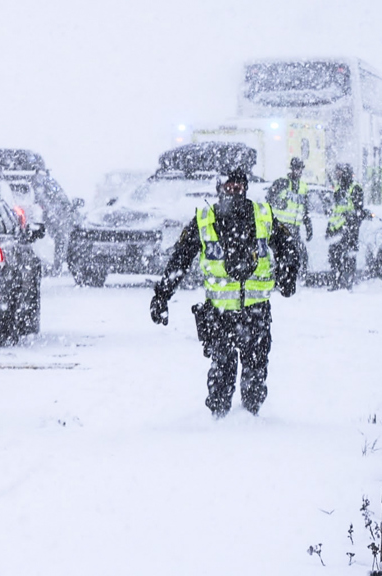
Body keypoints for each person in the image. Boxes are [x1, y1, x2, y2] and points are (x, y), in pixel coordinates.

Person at [149, 168, 302, 417]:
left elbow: (288, 247)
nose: (234, 191)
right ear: (219, 188)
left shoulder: (263, 215)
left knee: (256, 376)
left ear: (246, 187)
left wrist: (288, 274)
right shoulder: (204, 219)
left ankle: (252, 424)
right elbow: (179, 260)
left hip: (256, 312)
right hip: (219, 314)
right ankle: (218, 428)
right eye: (229, 186)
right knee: (221, 374)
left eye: (239, 186)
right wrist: (162, 295)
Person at [325, 163, 370, 290]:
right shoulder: (338, 189)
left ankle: (347, 283)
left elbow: (359, 211)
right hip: (337, 229)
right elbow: (335, 210)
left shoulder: (355, 189)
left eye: (339, 172)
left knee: (349, 257)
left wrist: (351, 221)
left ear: (346, 173)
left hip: (349, 229)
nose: (337, 175)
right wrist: (330, 226)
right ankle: (336, 282)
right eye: (336, 172)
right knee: (334, 256)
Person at [266, 157, 313, 242]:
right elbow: (269, 198)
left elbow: (305, 209)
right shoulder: (282, 182)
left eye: (301, 169)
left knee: (299, 253)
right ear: (292, 169)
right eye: (297, 169)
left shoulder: (304, 187)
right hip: (281, 226)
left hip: (295, 228)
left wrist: (308, 226)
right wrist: (279, 203)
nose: (300, 172)